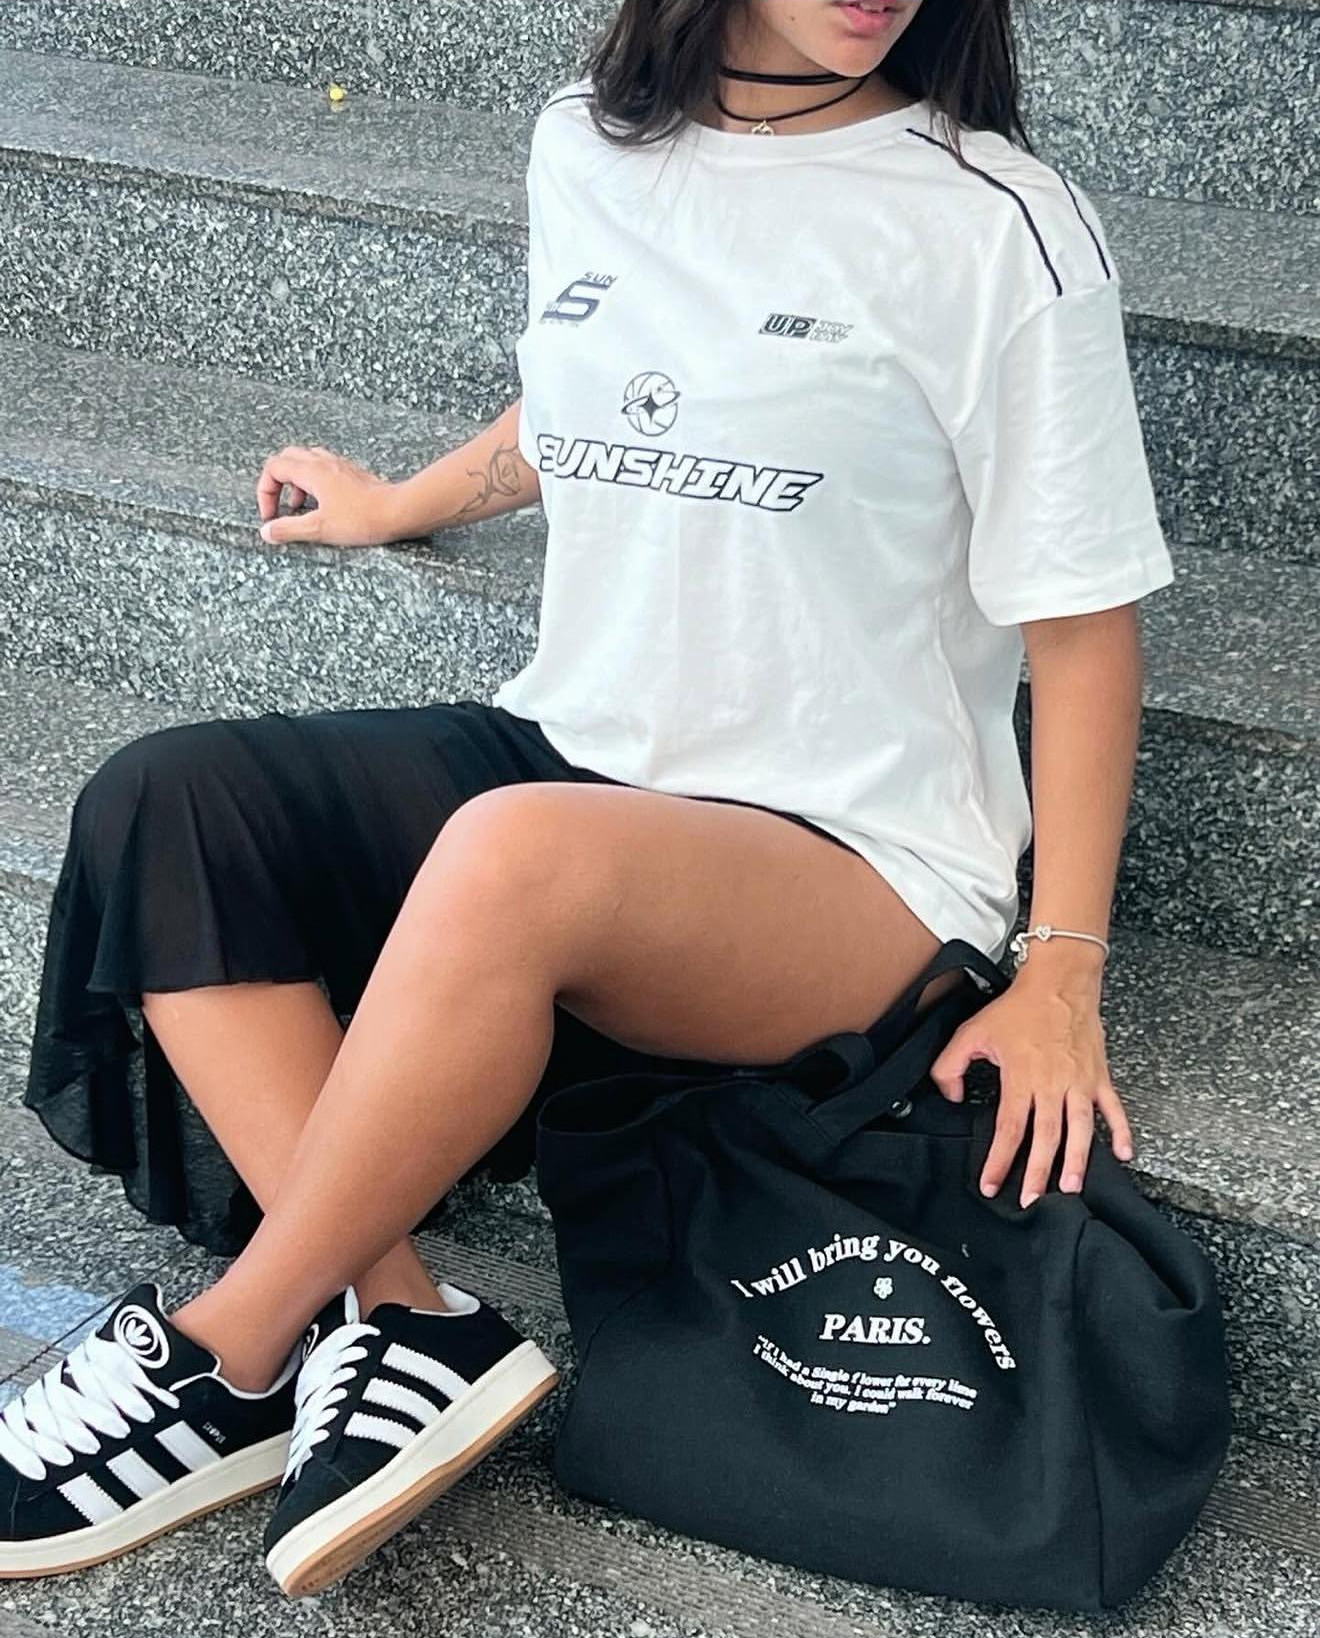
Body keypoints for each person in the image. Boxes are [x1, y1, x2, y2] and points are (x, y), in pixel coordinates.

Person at [3, 0, 1173, 1600]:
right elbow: (596, 395)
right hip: (587, 751)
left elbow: (1086, 627)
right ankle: (402, 1314)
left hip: (858, 855)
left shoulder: (998, 223)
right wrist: (401, 502)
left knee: (514, 853)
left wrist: (1064, 968)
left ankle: (231, 1347)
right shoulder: (589, 145)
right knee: (171, 798)